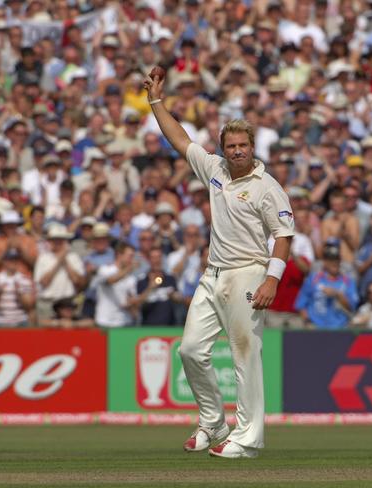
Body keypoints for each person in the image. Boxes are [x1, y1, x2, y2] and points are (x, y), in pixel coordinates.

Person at [144, 73, 294, 459]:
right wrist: (156, 103)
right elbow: (180, 139)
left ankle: (247, 439)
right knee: (190, 350)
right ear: (224, 148)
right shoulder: (214, 169)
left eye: (244, 145)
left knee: (245, 354)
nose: (238, 151)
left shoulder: (266, 185)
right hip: (212, 275)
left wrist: (272, 280)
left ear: (252, 147)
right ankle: (213, 422)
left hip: (249, 273)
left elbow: (283, 234)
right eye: (232, 145)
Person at [294, 242, 358, 330]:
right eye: (331, 259)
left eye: (337, 259)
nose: (334, 262)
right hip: (315, 327)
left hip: (340, 327)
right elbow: (301, 304)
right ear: (325, 262)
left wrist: (338, 295)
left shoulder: (348, 281)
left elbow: (353, 307)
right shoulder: (314, 278)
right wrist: (308, 322)